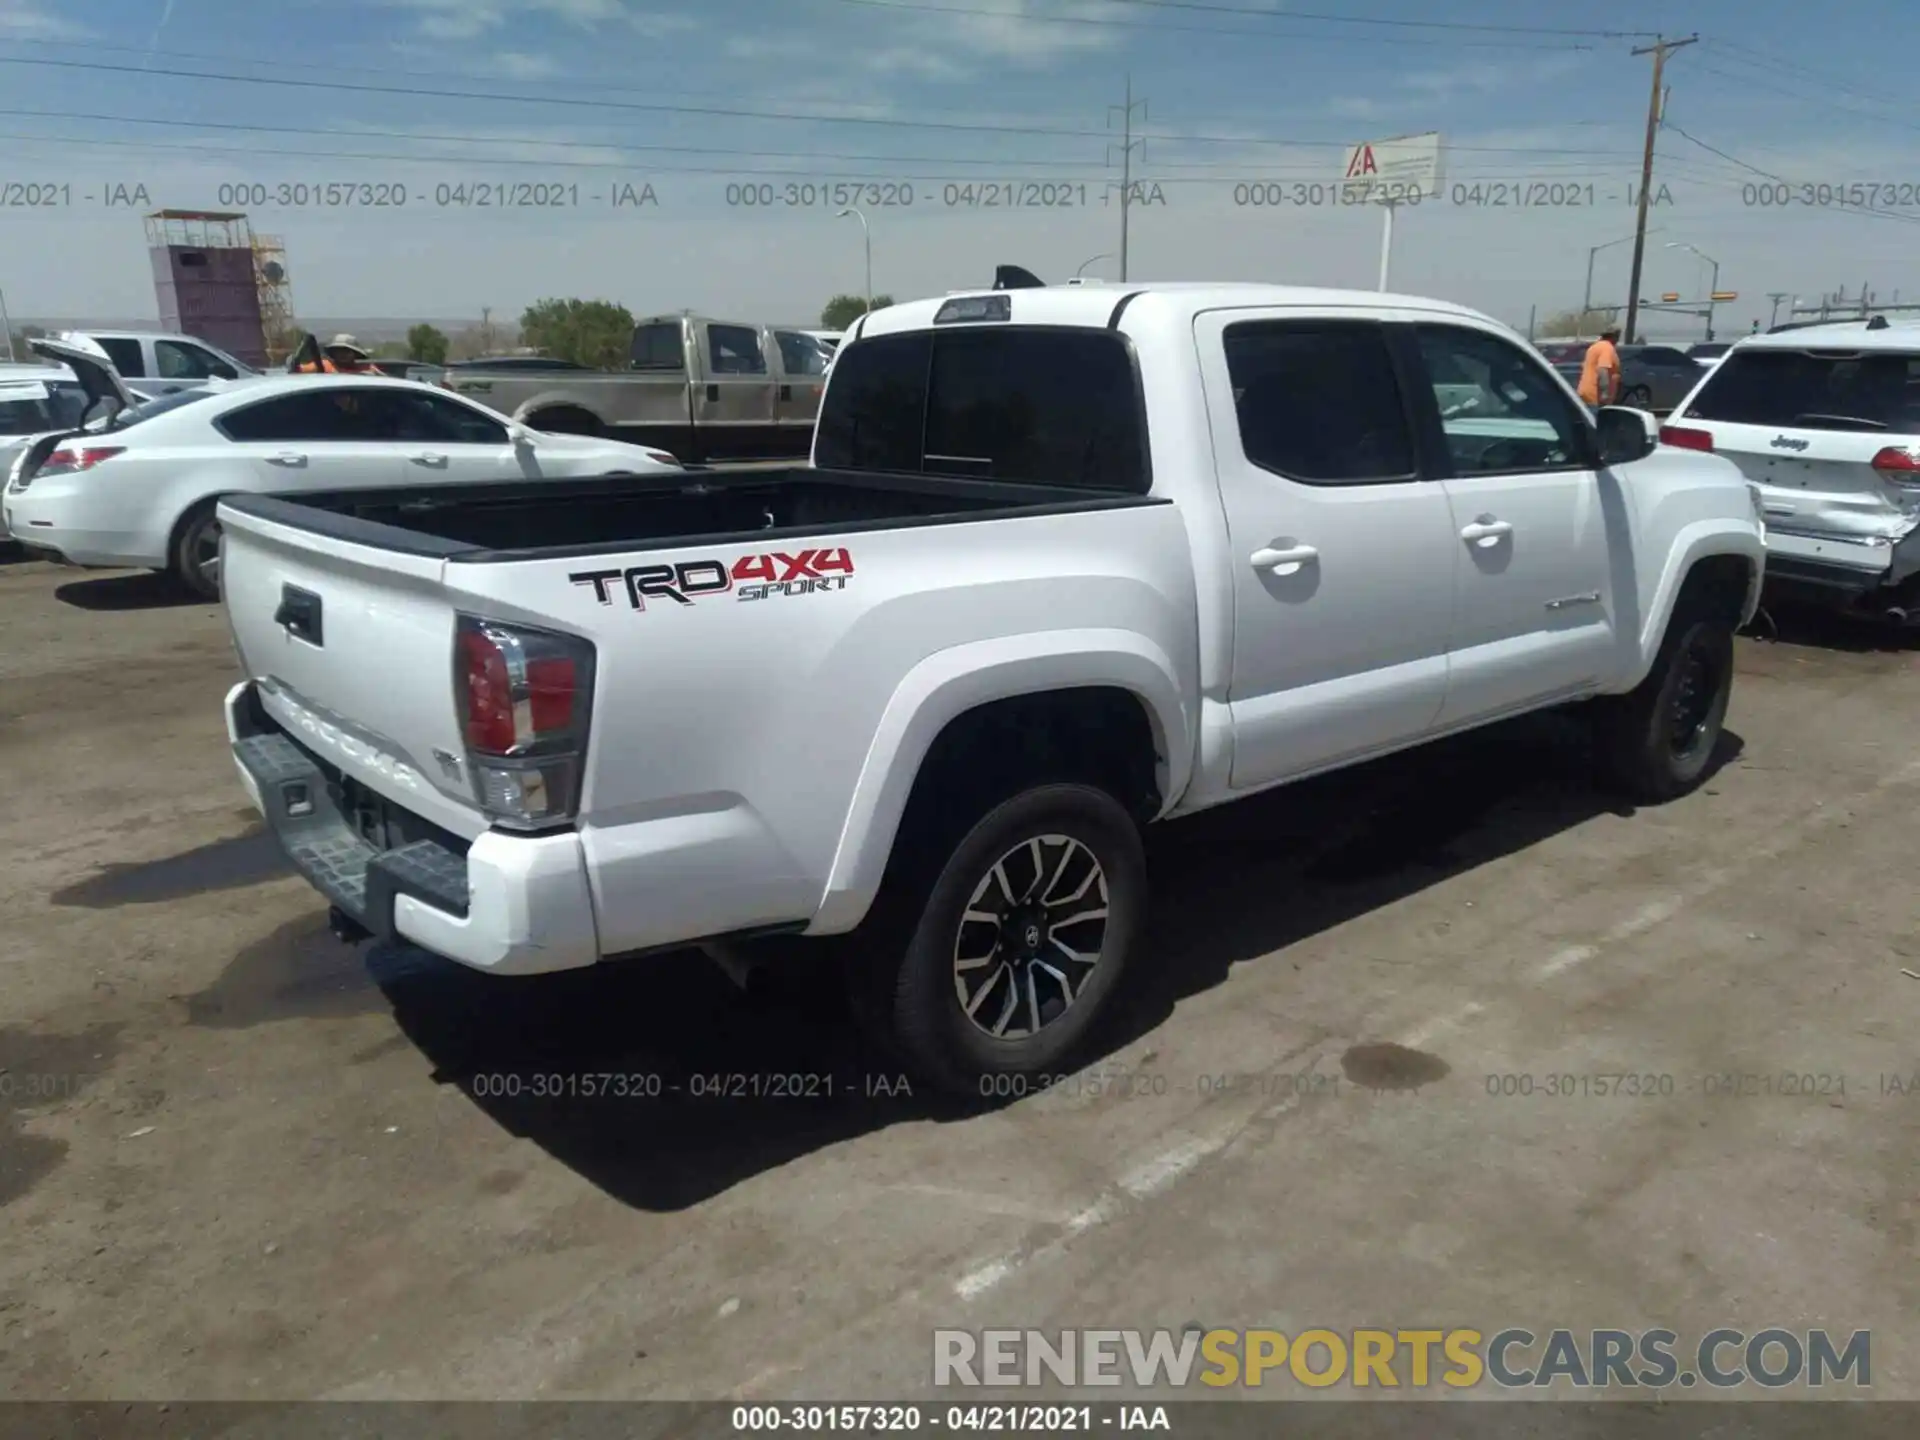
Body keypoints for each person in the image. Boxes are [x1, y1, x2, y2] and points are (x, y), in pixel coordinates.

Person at [1578, 325, 1621, 412]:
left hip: (1585, 392)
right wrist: (1605, 392)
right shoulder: (1607, 348)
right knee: (1597, 423)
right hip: (1595, 396)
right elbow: (1602, 369)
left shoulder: (1594, 347)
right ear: (1614, 337)